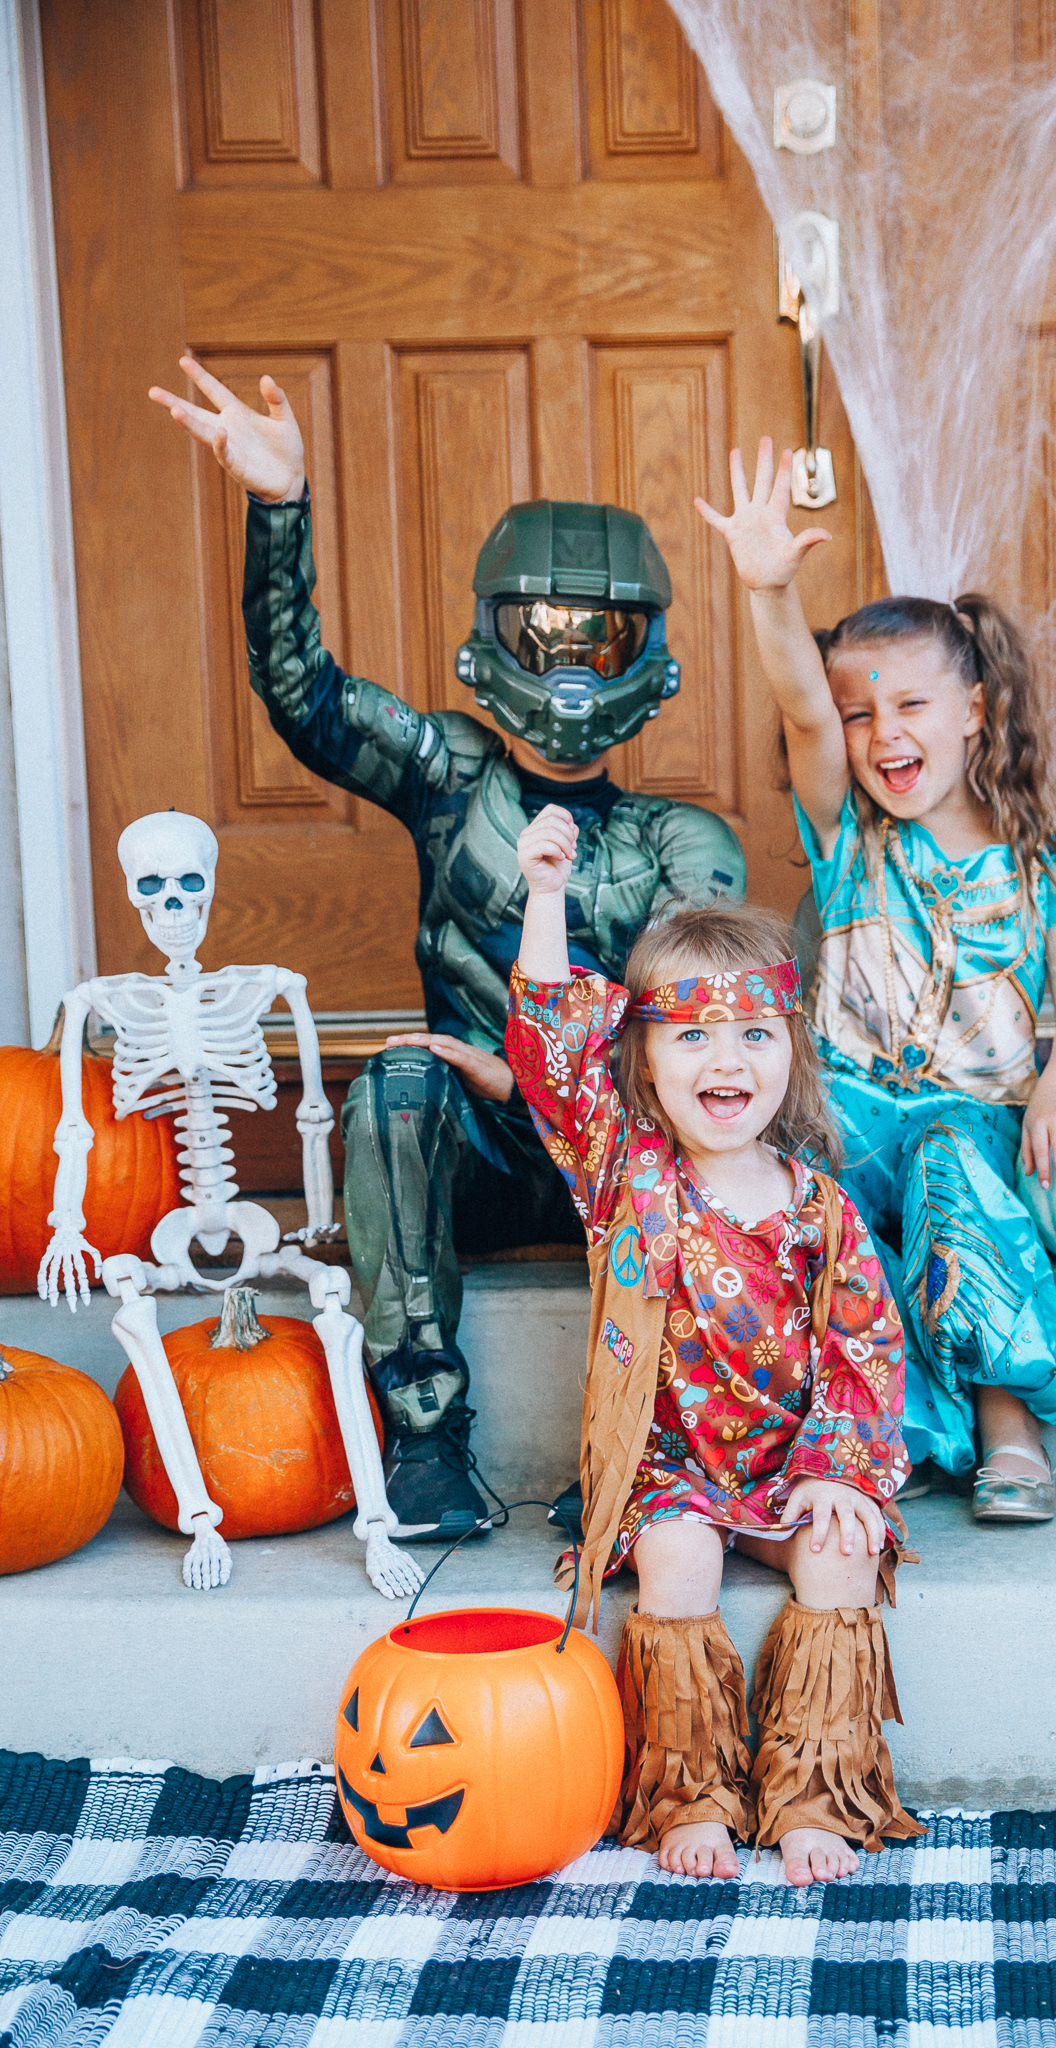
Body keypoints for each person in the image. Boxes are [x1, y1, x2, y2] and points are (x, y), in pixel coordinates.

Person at [150, 359, 745, 1545]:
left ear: (647, 652)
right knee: (399, 1076)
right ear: (497, 635)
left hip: (619, 1155)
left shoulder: (686, 840)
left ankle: (648, 1433)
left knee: (714, 1105)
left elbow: (706, 1024)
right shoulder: (448, 773)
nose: (572, 662)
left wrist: (536, 1075)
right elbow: (303, 692)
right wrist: (281, 509)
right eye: (547, 631)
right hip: (469, 1154)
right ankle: (423, 1438)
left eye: (604, 634)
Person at [696, 440, 1056, 1524]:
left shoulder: (1046, 863)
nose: (884, 732)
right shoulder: (848, 833)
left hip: (969, 1123)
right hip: (839, 1111)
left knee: (949, 1181)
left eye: (913, 707)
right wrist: (770, 587)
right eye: (860, 713)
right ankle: (794, 1431)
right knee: (794, 1194)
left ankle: (1004, 1422)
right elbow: (799, 697)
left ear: (976, 707)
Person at [500, 802, 921, 1886]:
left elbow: (865, 1353)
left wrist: (842, 1473)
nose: (723, 1057)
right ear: (640, 1057)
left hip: (790, 1468)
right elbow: (550, 1042)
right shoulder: (623, 1173)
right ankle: (689, 1791)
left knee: (839, 1550)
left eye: (751, 1033)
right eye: (689, 1032)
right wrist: (546, 893)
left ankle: (816, 1792)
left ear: (791, 1047)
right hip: (667, 1470)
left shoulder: (821, 1208)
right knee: (679, 1558)